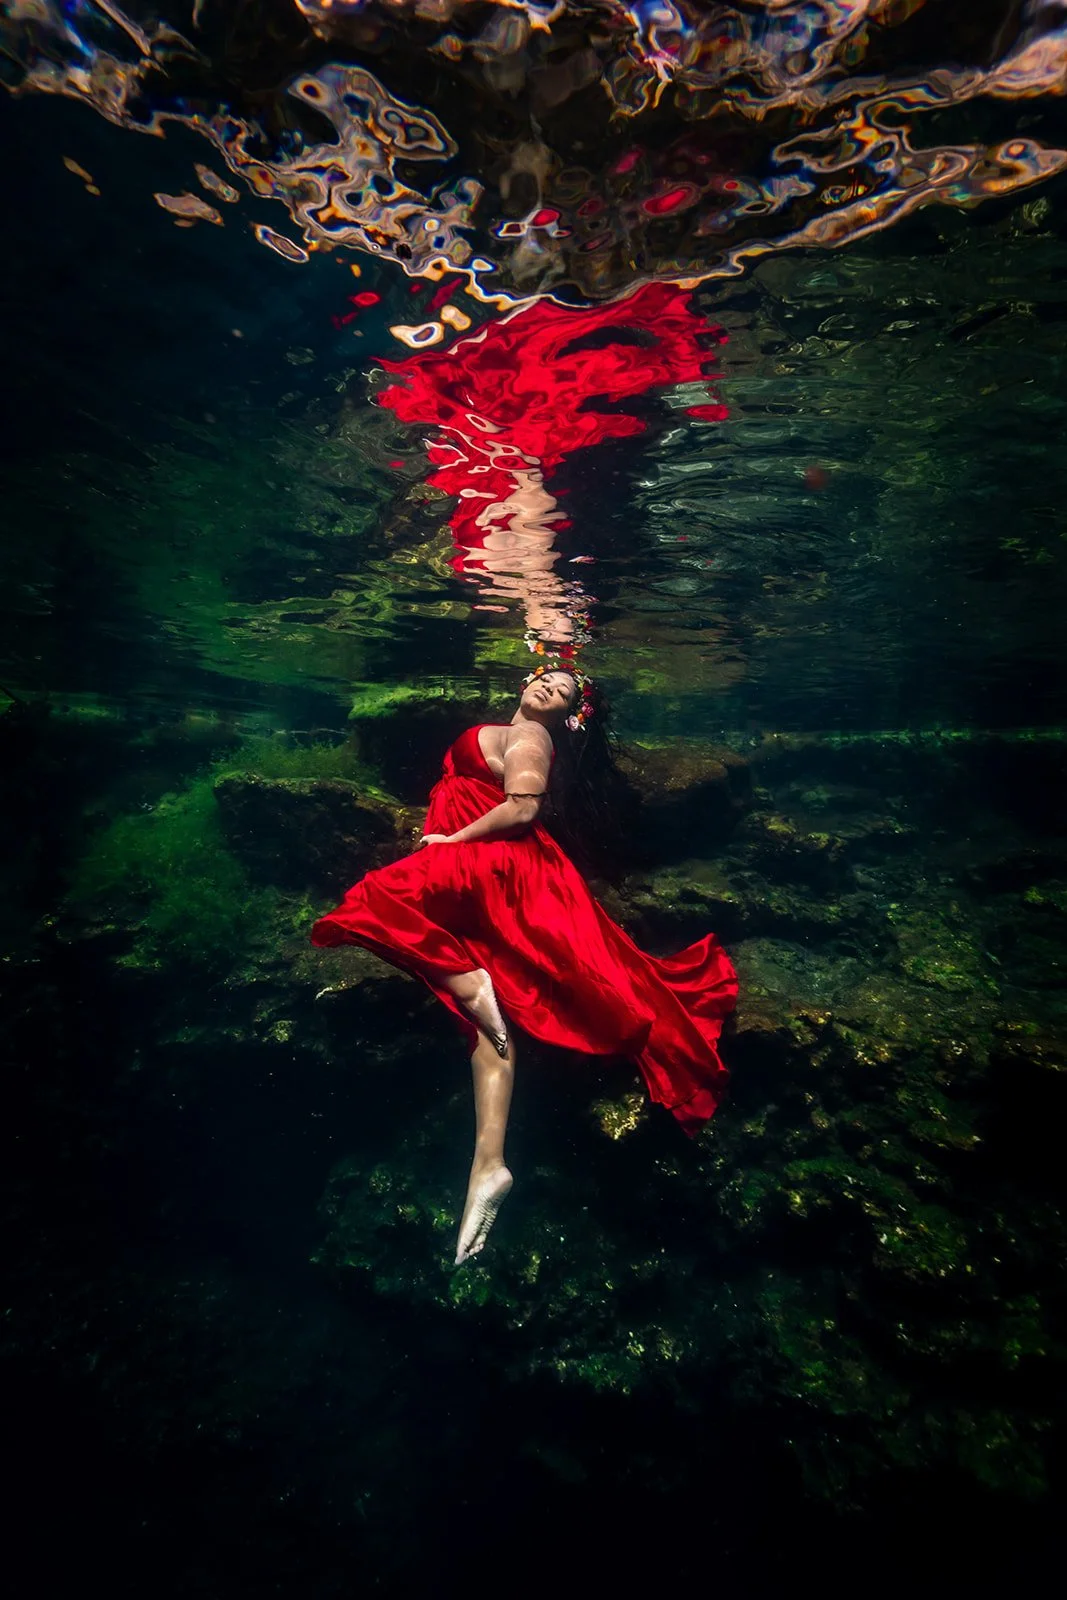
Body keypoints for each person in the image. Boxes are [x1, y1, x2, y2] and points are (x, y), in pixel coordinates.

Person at [311, 662, 737, 1266]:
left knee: (376, 900)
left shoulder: (531, 738)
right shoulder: (513, 728)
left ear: (569, 716)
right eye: (546, 679)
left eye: (563, 692)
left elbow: (522, 811)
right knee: (486, 1024)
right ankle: (489, 1166)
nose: (548, 688)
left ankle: (466, 979)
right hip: (493, 872)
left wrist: (453, 843)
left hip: (492, 867)